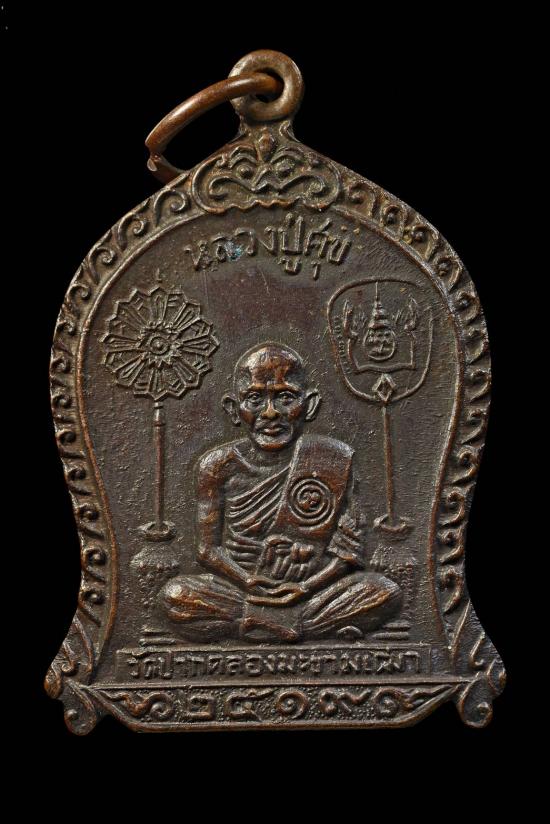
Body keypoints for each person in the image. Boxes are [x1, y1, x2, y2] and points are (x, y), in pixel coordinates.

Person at [160, 342, 401, 641]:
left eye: (285, 397)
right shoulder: (217, 465)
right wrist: (248, 580)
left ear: (309, 405)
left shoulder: (333, 459)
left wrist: (305, 587)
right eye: (254, 398)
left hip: (311, 592)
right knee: (176, 594)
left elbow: (348, 554)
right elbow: (207, 551)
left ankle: (264, 624)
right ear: (234, 409)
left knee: (384, 591)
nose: (271, 412)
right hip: (242, 590)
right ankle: (299, 626)